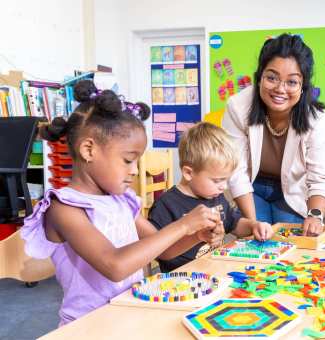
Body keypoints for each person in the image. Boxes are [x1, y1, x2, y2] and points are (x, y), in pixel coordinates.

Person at [20, 81, 215, 326]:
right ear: (89, 150)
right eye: (127, 160)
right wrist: (183, 226)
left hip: (129, 314)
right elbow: (114, 265)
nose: (135, 171)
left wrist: (196, 236)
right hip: (88, 326)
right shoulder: (64, 208)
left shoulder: (121, 201)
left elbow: (161, 250)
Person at [222, 33, 325, 235]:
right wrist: (253, 224)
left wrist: (315, 215)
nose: (280, 89)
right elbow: (236, 171)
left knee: (291, 240)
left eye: (291, 82)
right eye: (272, 78)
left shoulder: (316, 119)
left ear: (303, 86)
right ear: (259, 77)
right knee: (256, 242)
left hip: (292, 190)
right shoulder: (238, 107)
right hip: (251, 187)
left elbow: (320, 178)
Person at [148, 122, 274, 272]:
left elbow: (234, 224)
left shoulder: (216, 197)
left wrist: (254, 225)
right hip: (182, 281)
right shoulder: (165, 205)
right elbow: (157, 252)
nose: (224, 187)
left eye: (226, 179)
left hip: (215, 271)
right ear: (188, 173)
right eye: (217, 180)